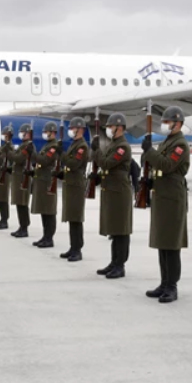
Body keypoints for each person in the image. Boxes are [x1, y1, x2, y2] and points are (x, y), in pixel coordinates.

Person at [141, 106, 190, 303]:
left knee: (171, 244)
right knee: (163, 242)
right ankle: (164, 282)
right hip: (162, 196)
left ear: (178, 124)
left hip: (172, 198)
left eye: (168, 122)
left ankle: (172, 285)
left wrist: (149, 151)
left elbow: (167, 165)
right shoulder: (168, 142)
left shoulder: (180, 145)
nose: (165, 125)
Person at [93, 113, 133, 279]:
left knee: (121, 230)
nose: (108, 129)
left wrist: (96, 151)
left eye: (110, 126)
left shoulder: (122, 146)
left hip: (119, 191)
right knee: (114, 230)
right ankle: (113, 262)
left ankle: (120, 265)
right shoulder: (113, 144)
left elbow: (107, 163)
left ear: (120, 128)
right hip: (112, 190)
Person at [58, 117, 90, 262]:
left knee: (76, 218)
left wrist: (62, 155)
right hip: (70, 184)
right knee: (71, 217)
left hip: (76, 185)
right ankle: (72, 247)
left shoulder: (82, 146)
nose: (70, 131)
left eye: (72, 128)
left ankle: (77, 249)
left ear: (80, 129)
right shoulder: (74, 144)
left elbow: (74, 164)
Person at [31, 122, 62, 248]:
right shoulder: (47, 145)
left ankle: (49, 238)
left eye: (47, 131)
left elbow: (44, 161)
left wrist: (33, 154)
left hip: (48, 181)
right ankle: (45, 236)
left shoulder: (53, 147)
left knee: (49, 211)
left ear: (53, 132)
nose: (45, 133)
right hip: (42, 180)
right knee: (44, 210)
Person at [9, 123, 35, 238]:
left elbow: (18, 159)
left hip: (23, 178)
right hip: (18, 177)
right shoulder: (24, 145)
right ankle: (21, 226)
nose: (21, 134)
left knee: (22, 203)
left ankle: (24, 228)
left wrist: (10, 153)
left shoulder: (28, 146)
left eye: (23, 132)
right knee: (19, 203)